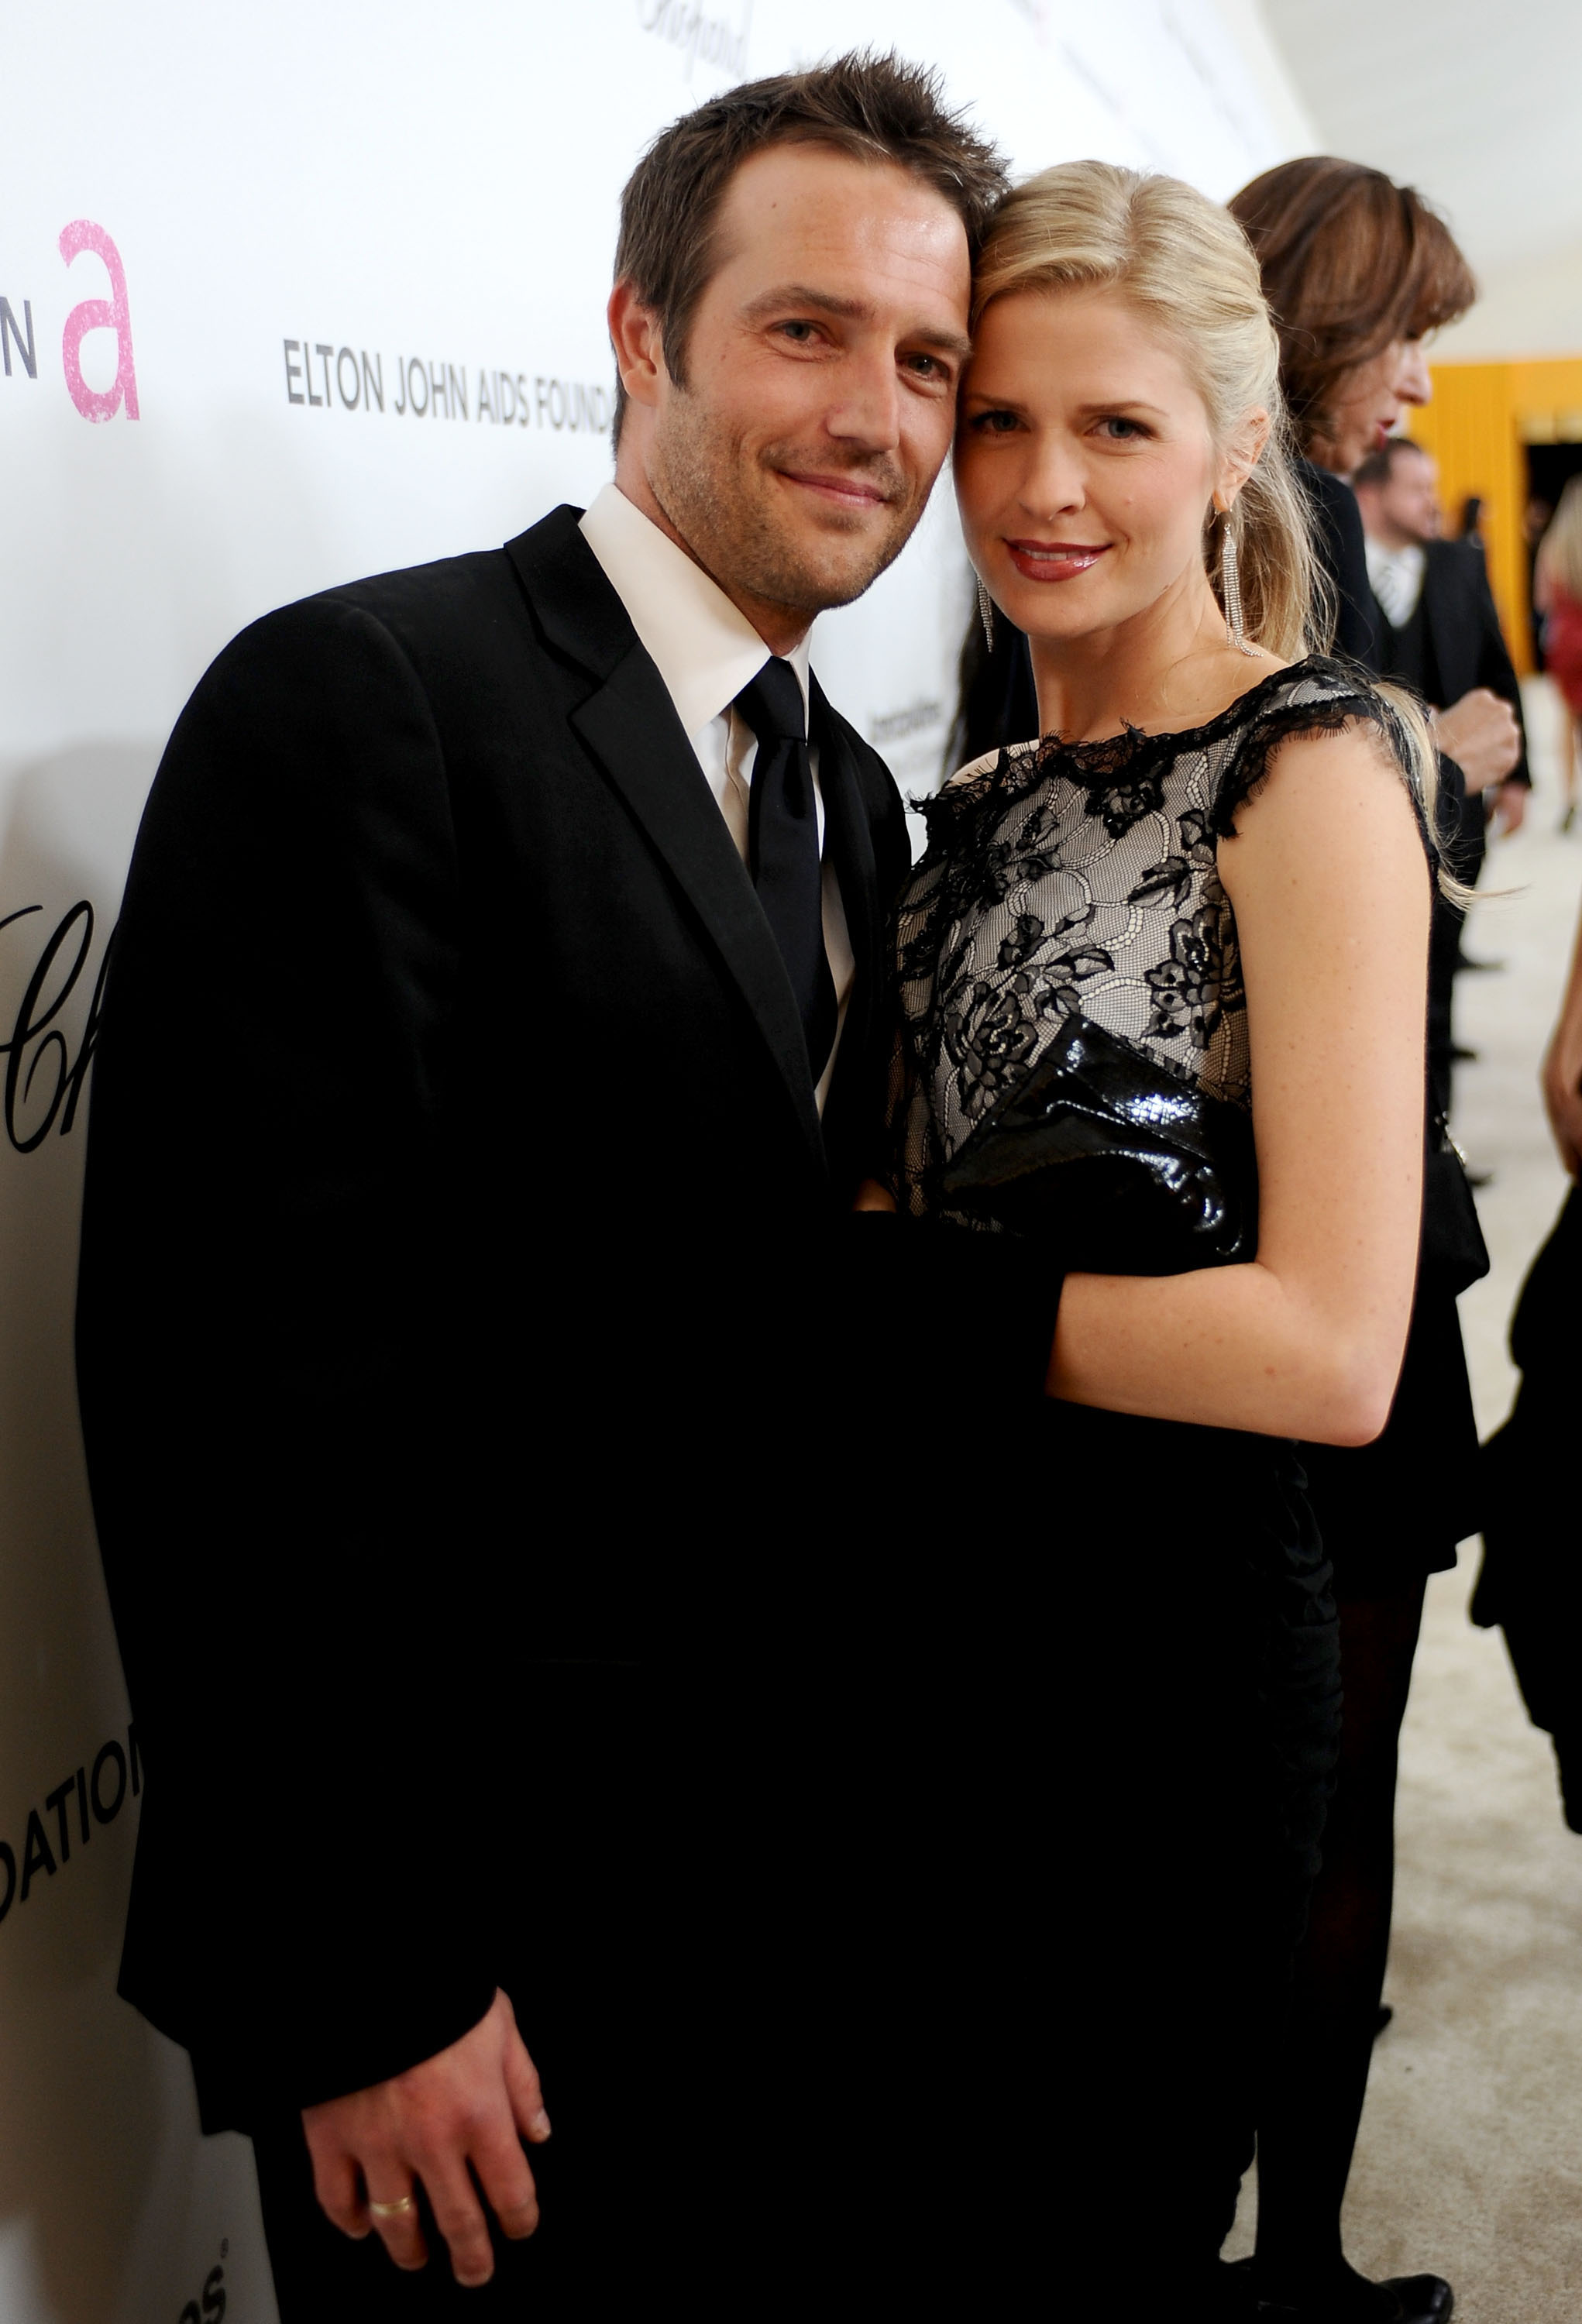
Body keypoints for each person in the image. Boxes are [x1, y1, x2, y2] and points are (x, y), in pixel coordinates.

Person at [76, 55, 1033, 2315]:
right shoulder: (366, 698)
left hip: (771, 1901)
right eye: (803, 330)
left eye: (922, 361)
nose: (875, 417)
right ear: (636, 332)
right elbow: (228, 1395)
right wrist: (363, 1983)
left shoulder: (847, 791)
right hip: (467, 1961)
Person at [880, 159, 1436, 2323]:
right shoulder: (972, 796)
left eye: (1112, 425)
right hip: (931, 1637)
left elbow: (1328, 1353)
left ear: (1228, 436)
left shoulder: (1304, 770)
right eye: (999, 421)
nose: (1040, 485)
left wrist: (923, 1312)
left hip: (1166, 1672)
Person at [1229, 158, 1499, 2324]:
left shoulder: (1315, 531)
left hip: (1358, 1218)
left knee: (1333, 1780)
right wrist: (1429, 763)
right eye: (1403, 329)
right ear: (1317, 315)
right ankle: (1288, 2258)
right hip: (1281, 1258)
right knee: (1308, 1794)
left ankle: (1292, 2242)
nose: (1423, 376)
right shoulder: (1246, 543)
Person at [1353, 432, 1530, 1109]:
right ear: (1372, 492)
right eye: (1418, 487)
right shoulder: (1334, 565)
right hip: (1368, 804)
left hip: (1460, 798)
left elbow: (1495, 664)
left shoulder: (1459, 564)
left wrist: (1517, 776)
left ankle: (1439, 1135)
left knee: (1443, 963)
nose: (1435, 500)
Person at [1534, 476, 1582, 830]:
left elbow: (1542, 601)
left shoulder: (1553, 547)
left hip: (1564, 641)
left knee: (1567, 718)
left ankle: (1568, 796)